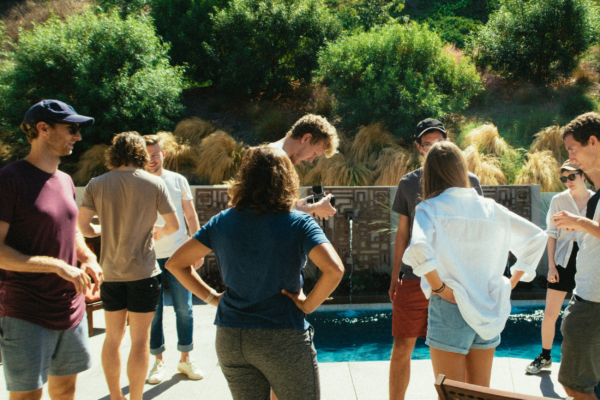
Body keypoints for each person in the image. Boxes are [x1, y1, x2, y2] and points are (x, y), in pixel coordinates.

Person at [165, 146, 345, 400]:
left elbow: (175, 264)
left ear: (245, 179)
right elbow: (334, 270)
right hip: (282, 336)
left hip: (231, 338)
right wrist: (307, 305)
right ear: (287, 178)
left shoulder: (222, 221)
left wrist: (212, 298)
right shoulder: (299, 222)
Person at [403, 141, 547, 389]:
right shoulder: (492, 209)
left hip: (450, 306)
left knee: (450, 394)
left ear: (431, 174)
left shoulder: (429, 208)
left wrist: (439, 289)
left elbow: (417, 247)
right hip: (489, 306)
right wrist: (509, 284)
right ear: (461, 169)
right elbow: (536, 238)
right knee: (480, 394)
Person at [0, 100, 103, 400]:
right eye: (72, 128)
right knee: (27, 396)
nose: (78, 136)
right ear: (43, 129)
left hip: (70, 308)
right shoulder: (9, 180)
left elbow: (70, 229)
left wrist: (87, 257)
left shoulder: (66, 180)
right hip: (25, 312)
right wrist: (58, 266)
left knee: (65, 391)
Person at [78, 132, 180, 400]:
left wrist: (106, 228)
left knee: (112, 339)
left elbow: (84, 229)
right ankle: (136, 397)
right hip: (144, 274)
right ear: (141, 154)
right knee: (140, 341)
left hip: (110, 275)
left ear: (114, 153)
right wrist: (157, 231)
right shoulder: (154, 184)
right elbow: (174, 225)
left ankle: (115, 396)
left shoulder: (96, 184)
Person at [388, 118, 483, 400]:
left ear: (448, 143)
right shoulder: (409, 183)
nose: (432, 148)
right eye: (426, 144)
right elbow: (403, 233)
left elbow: (478, 231)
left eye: (438, 142)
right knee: (402, 347)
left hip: (455, 281)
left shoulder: (470, 181)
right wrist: (395, 277)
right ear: (419, 147)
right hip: (415, 277)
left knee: (453, 350)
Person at [143, 134, 204, 384]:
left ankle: (185, 359)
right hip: (148, 257)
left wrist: (197, 248)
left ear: (163, 155)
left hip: (179, 256)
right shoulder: (138, 182)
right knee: (154, 313)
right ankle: (158, 363)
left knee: (185, 310)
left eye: (155, 155)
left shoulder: (178, 180)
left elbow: (190, 215)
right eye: (147, 156)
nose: (152, 160)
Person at [525, 161, 593, 374]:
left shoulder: (595, 199)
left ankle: (588, 362)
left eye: (571, 177)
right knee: (550, 313)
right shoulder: (558, 200)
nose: (567, 182)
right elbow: (552, 234)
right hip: (564, 261)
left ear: (583, 175)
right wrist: (552, 267)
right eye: (564, 178)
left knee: (589, 313)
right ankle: (545, 356)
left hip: (590, 260)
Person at [552, 112, 600, 400]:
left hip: (592, 305)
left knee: (574, 384)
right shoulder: (595, 197)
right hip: (589, 298)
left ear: (593, 141)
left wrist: (580, 223)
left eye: (573, 148)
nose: (570, 156)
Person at [269, 114, 340, 220]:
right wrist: (315, 207)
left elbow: (274, 208)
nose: (311, 160)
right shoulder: (273, 159)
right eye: (314, 153)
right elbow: (273, 215)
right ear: (306, 138)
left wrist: (299, 204)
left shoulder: (274, 154)